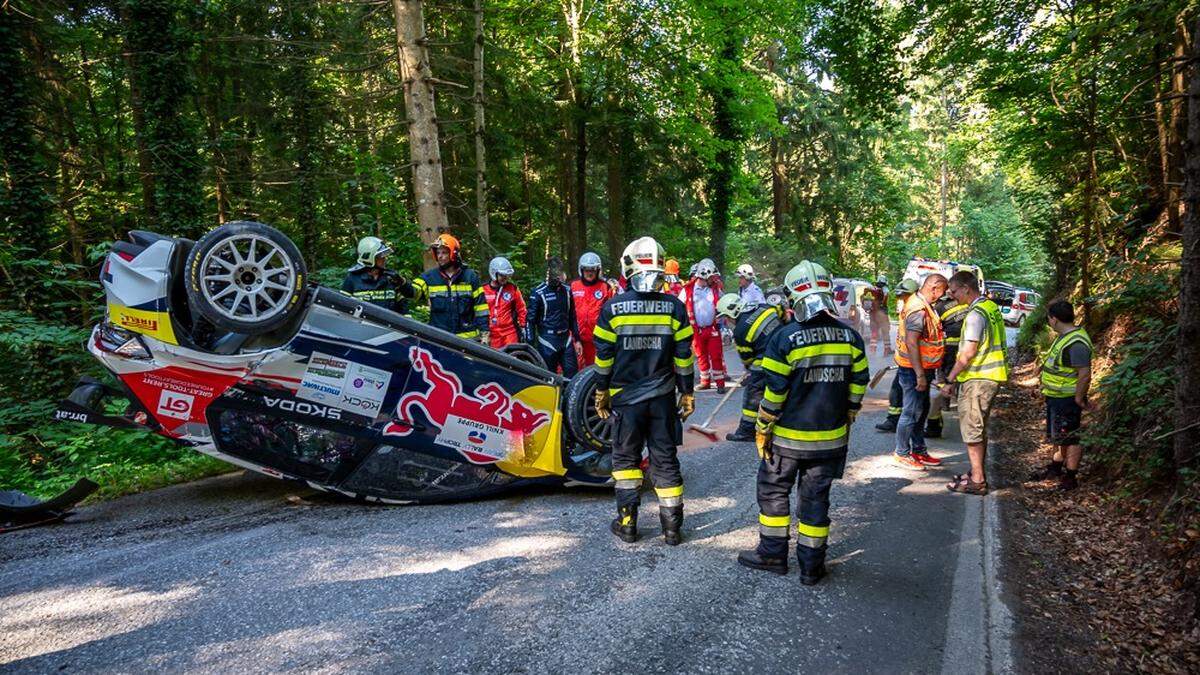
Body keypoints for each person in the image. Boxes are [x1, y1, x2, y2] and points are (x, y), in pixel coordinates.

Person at [737, 260, 869, 584]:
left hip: (787, 441)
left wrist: (762, 425)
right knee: (816, 499)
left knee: (773, 492)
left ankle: (772, 555)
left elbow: (775, 392)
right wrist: (850, 410)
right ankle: (812, 566)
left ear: (792, 296)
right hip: (831, 440)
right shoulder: (851, 338)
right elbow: (860, 381)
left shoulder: (784, 338)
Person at [593, 237, 695, 545]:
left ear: (628, 266)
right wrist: (687, 392)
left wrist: (601, 391)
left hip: (625, 400)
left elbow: (603, 358)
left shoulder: (612, 308)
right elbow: (684, 357)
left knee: (625, 461)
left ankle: (628, 526)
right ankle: (672, 529)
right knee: (665, 460)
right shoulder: (675, 308)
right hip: (663, 398)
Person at [942, 271, 1009, 495]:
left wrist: (950, 379)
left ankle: (978, 480)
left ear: (966, 289)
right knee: (978, 428)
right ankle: (976, 472)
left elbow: (968, 352)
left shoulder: (974, 315)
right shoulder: (990, 308)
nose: (952, 296)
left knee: (972, 429)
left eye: (954, 291)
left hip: (978, 378)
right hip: (990, 377)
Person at [1030, 300, 1091, 490]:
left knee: (1070, 437)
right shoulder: (1065, 336)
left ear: (1054, 319)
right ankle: (1056, 467)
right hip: (1056, 397)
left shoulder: (1076, 342)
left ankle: (1070, 477)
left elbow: (1085, 373)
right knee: (1058, 436)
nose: (1049, 322)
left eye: (1049, 318)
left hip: (1068, 399)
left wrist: (1079, 398)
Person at [892, 274, 947, 470]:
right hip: (914, 370)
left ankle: (918, 450)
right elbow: (912, 342)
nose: (942, 296)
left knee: (921, 410)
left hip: (922, 368)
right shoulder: (918, 309)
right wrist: (920, 375)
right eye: (942, 291)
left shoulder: (925, 306)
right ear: (935, 288)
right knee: (910, 412)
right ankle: (902, 453)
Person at [717, 293, 784, 442]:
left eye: (726, 317)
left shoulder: (740, 331)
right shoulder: (764, 307)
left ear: (732, 312)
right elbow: (783, 313)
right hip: (787, 353)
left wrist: (750, 374)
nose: (727, 321)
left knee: (753, 392)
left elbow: (748, 360)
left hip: (768, 360)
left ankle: (746, 430)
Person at [408, 233, 489, 341]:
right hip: (440, 339)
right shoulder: (429, 277)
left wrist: (485, 334)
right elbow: (413, 292)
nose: (440, 256)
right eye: (438, 253)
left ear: (454, 254)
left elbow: (481, 308)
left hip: (469, 341)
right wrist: (402, 283)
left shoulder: (470, 277)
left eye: (444, 252)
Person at [874, 278, 919, 433]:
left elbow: (914, 340)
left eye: (903, 295)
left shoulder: (916, 310)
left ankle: (909, 425)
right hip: (905, 359)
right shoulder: (908, 307)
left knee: (909, 394)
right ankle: (894, 420)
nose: (900, 299)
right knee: (897, 390)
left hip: (914, 361)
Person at [925, 292, 970, 438]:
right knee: (957, 377)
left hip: (948, 348)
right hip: (966, 346)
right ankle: (955, 406)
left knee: (942, 381)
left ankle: (943, 407)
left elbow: (934, 329)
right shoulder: (965, 301)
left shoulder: (938, 306)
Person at [528, 257, 580, 377]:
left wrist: (577, 339)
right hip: (547, 340)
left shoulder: (567, 291)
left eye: (560, 273)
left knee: (573, 375)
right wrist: (530, 344)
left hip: (566, 339)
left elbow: (572, 316)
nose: (559, 277)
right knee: (547, 377)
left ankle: (569, 396)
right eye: (556, 273)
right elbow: (530, 321)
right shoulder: (538, 292)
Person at [680, 258, 726, 391]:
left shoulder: (715, 288)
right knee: (701, 356)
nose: (714, 279)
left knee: (716, 355)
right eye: (711, 277)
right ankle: (705, 381)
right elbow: (679, 306)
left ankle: (720, 384)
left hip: (713, 328)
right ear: (704, 275)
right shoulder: (688, 289)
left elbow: (724, 303)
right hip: (696, 330)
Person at [571, 252, 614, 368]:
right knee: (576, 368)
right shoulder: (573, 286)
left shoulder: (605, 287)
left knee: (596, 368)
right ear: (581, 270)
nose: (589, 273)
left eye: (593, 270)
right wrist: (575, 337)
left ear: (598, 270)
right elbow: (569, 313)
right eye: (587, 270)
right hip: (577, 337)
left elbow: (611, 314)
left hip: (598, 338)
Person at [341, 236, 408, 312]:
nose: (384, 259)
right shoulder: (352, 278)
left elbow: (404, 308)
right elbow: (343, 307)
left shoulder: (391, 278)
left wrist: (402, 283)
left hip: (388, 323)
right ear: (369, 258)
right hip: (360, 324)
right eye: (380, 256)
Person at [481, 256, 527, 348]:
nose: (505, 278)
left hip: (509, 333)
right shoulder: (483, 290)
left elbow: (521, 309)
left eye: (507, 276)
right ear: (494, 273)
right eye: (502, 275)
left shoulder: (513, 289)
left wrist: (523, 326)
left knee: (511, 359)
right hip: (491, 334)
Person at [867, 274, 893, 356]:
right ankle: (887, 350)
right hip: (882, 312)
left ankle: (872, 350)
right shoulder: (885, 288)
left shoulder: (872, 288)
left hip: (873, 312)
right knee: (885, 331)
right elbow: (886, 295)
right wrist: (882, 304)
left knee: (874, 331)